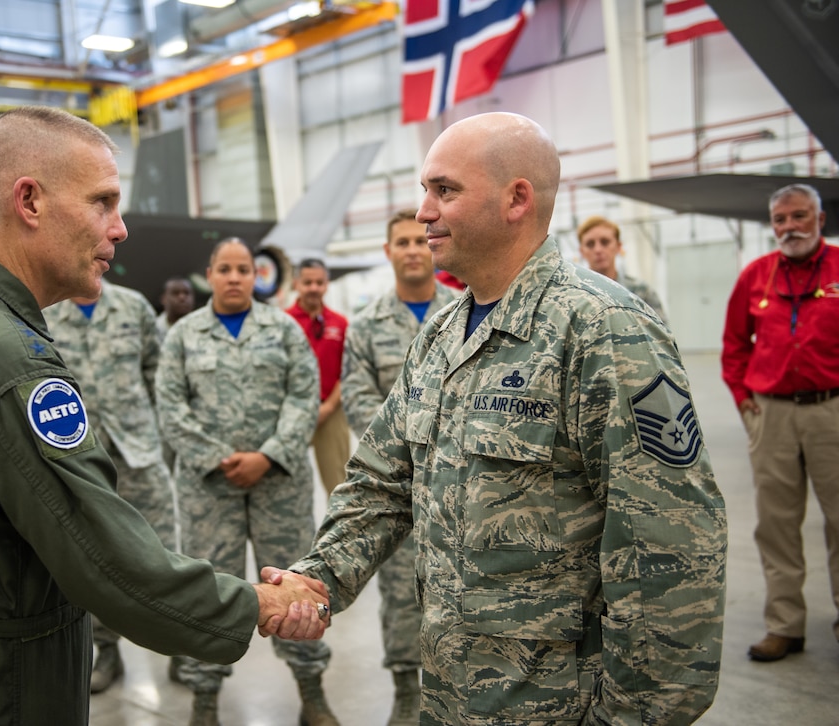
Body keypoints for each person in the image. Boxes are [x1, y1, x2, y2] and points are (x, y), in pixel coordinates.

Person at [0, 106, 328, 726]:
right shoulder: (9, 362)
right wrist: (259, 603)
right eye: (102, 202)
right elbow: (107, 560)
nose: (121, 228)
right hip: (6, 685)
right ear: (30, 201)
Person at [276, 112, 727, 724]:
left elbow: (671, 545)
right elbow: (382, 481)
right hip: (449, 690)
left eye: (445, 191)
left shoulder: (603, 329)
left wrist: (634, 715)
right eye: (425, 192)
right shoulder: (440, 334)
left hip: (555, 703)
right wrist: (318, 577)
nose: (424, 213)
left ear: (517, 199)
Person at [157, 238, 340, 726]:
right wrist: (219, 458)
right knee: (205, 592)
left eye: (243, 269)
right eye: (225, 269)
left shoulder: (282, 329)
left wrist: (267, 456)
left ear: (254, 277)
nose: (235, 277)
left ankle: (312, 693)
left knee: (297, 584)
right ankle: (205, 699)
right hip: (207, 490)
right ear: (210, 276)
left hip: (279, 484)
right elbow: (170, 407)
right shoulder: (182, 335)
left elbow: (305, 398)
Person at [340, 208, 457, 725]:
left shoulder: (465, 311)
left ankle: (459, 686)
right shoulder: (365, 327)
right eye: (401, 241)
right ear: (388, 251)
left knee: (462, 584)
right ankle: (407, 688)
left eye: (418, 239)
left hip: (460, 481)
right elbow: (356, 395)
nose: (412, 248)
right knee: (399, 591)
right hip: (399, 483)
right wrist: (408, 444)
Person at [720, 182, 839, 663]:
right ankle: (785, 624)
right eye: (781, 220)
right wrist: (745, 399)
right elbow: (734, 345)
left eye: (799, 216)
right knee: (776, 524)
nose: (789, 227)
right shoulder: (756, 276)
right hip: (771, 414)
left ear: (819, 218)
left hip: (832, 410)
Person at [44, 280, 179, 693]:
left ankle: (182, 645)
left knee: (166, 552)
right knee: (94, 559)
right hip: (81, 459)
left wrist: (159, 440)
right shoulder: (48, 312)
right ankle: (107, 650)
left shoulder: (133, 305)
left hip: (139, 452)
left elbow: (157, 375)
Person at [286, 258, 350, 494]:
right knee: (286, 483)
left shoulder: (340, 324)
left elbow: (348, 371)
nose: (313, 288)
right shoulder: (283, 323)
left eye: (319, 282)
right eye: (307, 282)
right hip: (291, 412)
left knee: (339, 485)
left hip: (331, 411)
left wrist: (328, 407)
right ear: (296, 284)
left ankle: (340, 531)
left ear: (326, 284)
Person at [576, 215, 668, 321]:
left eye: (605, 242)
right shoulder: (576, 296)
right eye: (590, 244)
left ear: (618, 246)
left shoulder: (641, 292)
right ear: (582, 251)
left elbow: (661, 333)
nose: (598, 250)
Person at [156, 276, 195, 343]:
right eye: (175, 293)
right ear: (163, 299)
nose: (182, 297)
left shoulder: (204, 328)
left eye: (186, 293)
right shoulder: (154, 330)